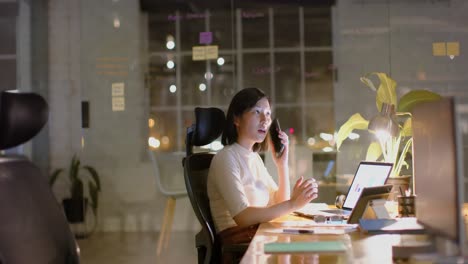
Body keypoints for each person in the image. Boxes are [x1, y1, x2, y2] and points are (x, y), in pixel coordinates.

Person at [207, 87, 318, 257]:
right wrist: (293, 204)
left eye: (267, 113)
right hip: (240, 246)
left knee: (314, 244)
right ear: (236, 119)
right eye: (257, 112)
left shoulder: (254, 158)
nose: (264, 119)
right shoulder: (226, 158)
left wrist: (282, 164)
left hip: (259, 237)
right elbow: (242, 217)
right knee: (309, 251)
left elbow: (279, 201)